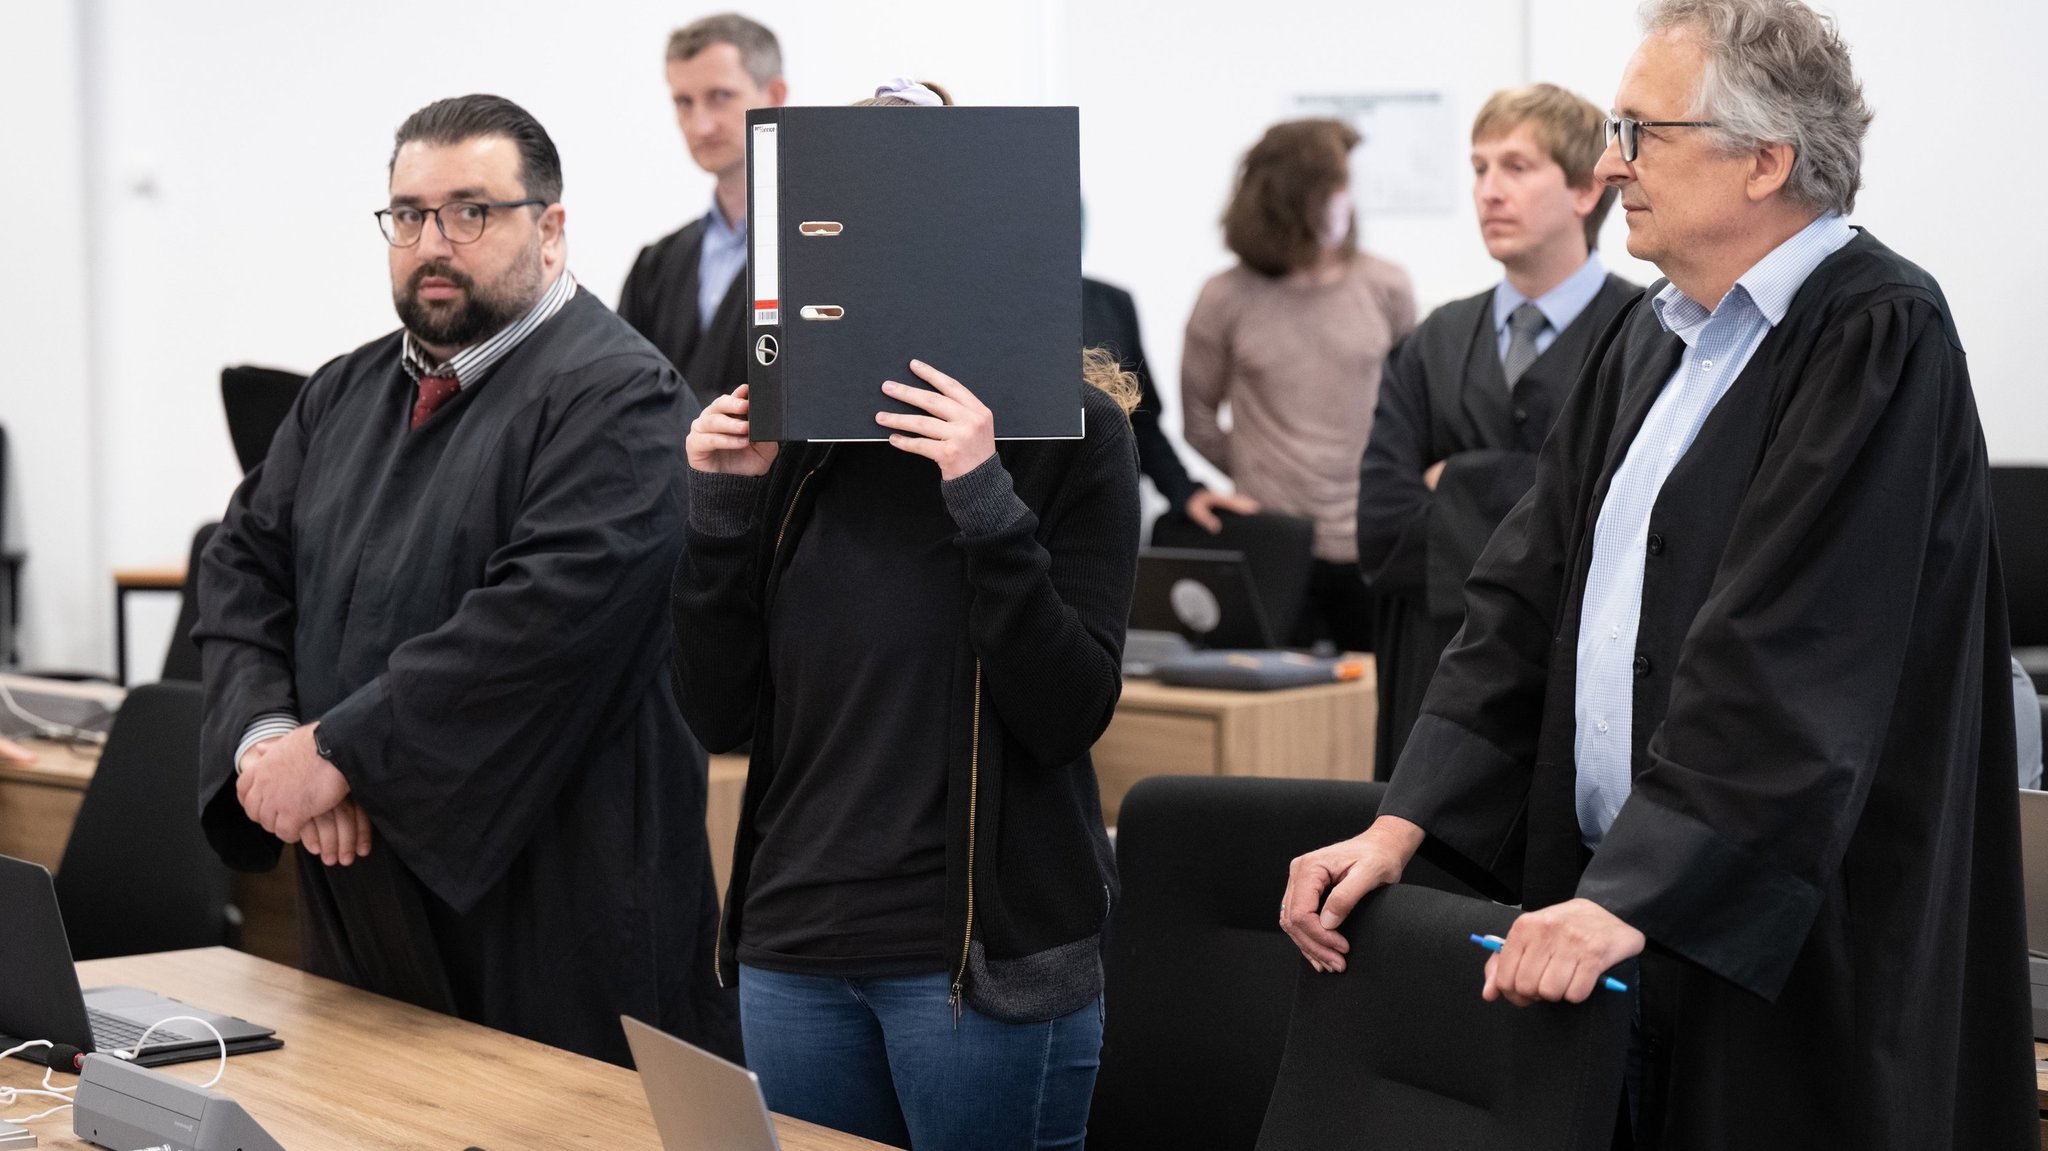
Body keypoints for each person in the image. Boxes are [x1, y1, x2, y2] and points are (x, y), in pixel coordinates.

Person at [1280, 1, 2036, 1144]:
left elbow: (1786, 656)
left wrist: (1635, 889)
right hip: (1612, 909)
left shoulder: (1875, 332)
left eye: (1639, 131)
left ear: (1763, 161)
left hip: (1777, 935)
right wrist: (1403, 821)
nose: (1609, 161)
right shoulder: (1652, 335)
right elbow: (1518, 598)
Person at [194, 94, 739, 1067]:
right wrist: (273, 740)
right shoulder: (341, 393)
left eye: (470, 210)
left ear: (552, 227)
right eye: (408, 214)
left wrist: (343, 750)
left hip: (552, 901)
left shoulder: (622, 396)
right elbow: (240, 570)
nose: (432, 240)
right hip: (356, 879)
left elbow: (540, 626)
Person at [671, 76, 1138, 1151]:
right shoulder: (801, 442)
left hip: (973, 969)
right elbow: (716, 711)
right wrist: (719, 508)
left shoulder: (1070, 435)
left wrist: (981, 496)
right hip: (793, 949)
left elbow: (1067, 706)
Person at [1357, 84, 1639, 776]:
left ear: (1583, 191)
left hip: (1582, 685)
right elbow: (1383, 525)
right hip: (1434, 678)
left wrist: (1456, 478)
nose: (1488, 190)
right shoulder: (1434, 340)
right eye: (1479, 168)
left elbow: (1630, 523)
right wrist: (1542, 494)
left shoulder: (1648, 336)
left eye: (1516, 166)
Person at [1182, 119, 1416, 651]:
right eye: (1331, 191)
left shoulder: (1387, 286)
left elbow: (1413, 410)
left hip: (1372, 542)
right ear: (1290, 201)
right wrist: (1260, 473)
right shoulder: (1224, 297)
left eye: (1345, 188)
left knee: (1373, 715)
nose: (1346, 204)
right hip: (1274, 546)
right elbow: (1197, 420)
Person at [619, 13, 788, 408]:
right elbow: (617, 394)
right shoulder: (656, 265)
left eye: (720, 96)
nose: (701, 125)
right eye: (684, 102)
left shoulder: (819, 249)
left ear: (775, 96)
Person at [1083, 276, 1257, 531]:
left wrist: (1183, 489)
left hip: (1100, 514)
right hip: (1014, 507)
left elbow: (1140, 420)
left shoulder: (1109, 303)